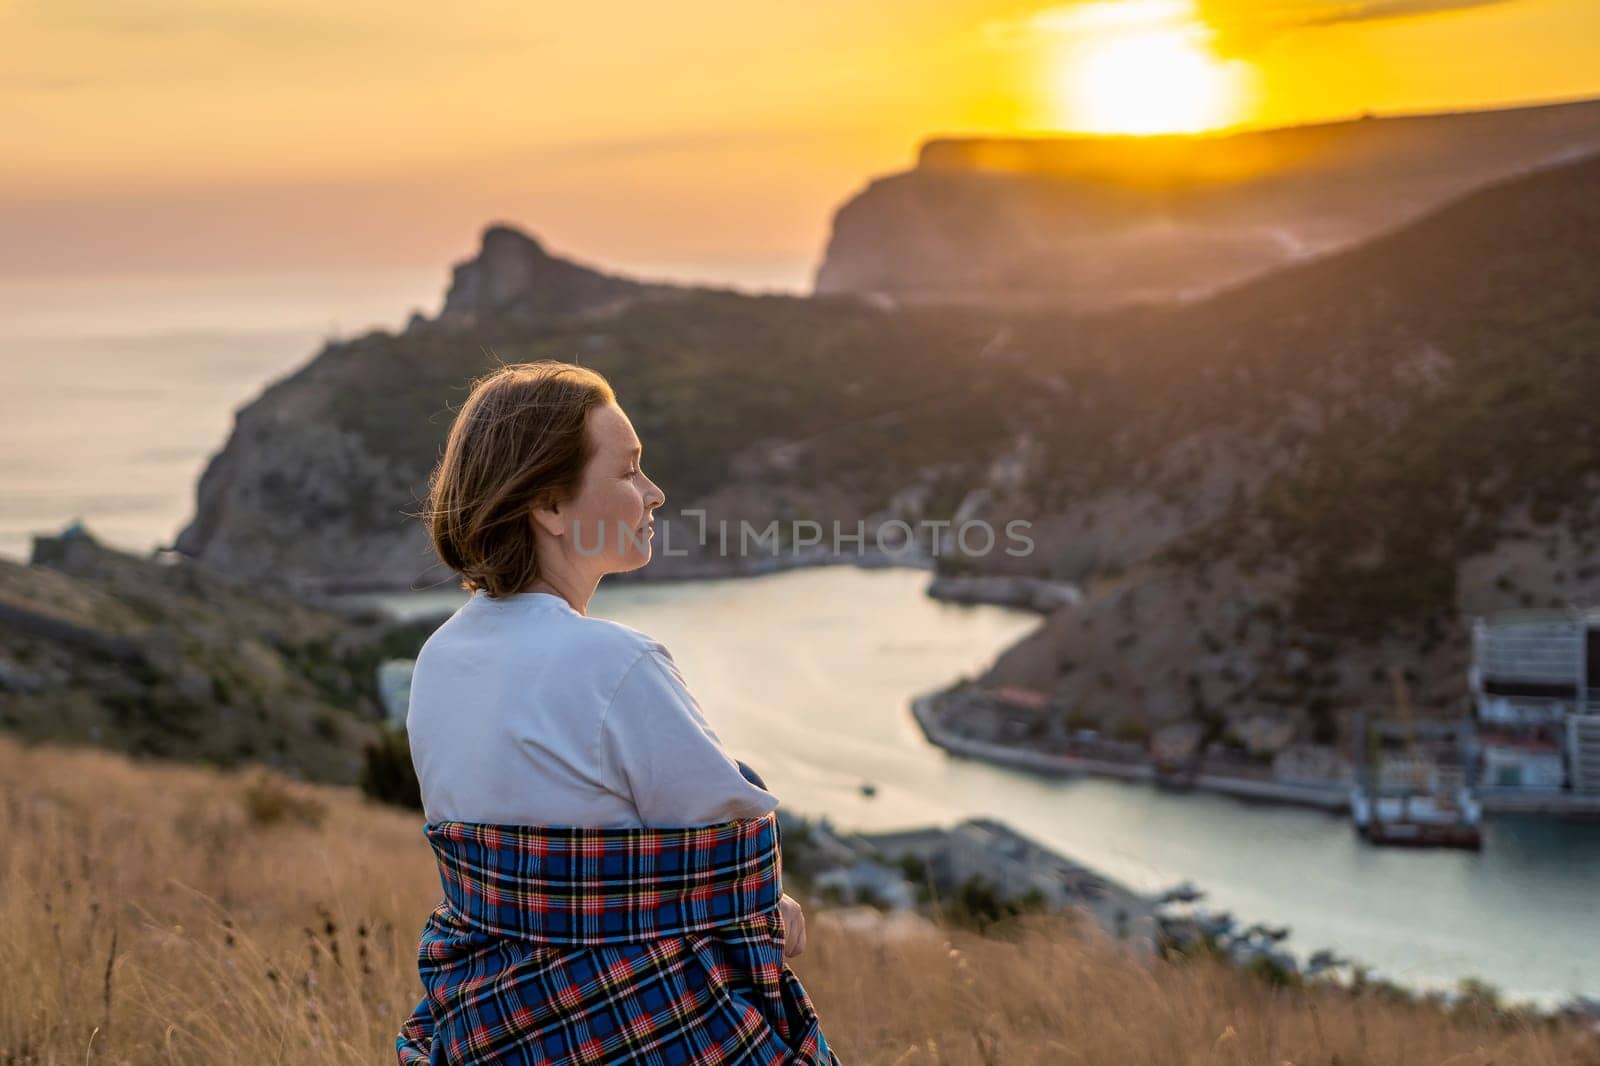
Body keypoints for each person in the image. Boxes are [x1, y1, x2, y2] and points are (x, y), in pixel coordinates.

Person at [397, 360, 838, 1064]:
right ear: (550, 504)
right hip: (632, 1032)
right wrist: (768, 912)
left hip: (487, 1033)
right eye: (629, 471)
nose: (654, 493)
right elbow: (739, 861)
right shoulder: (614, 662)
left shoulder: (440, 660)